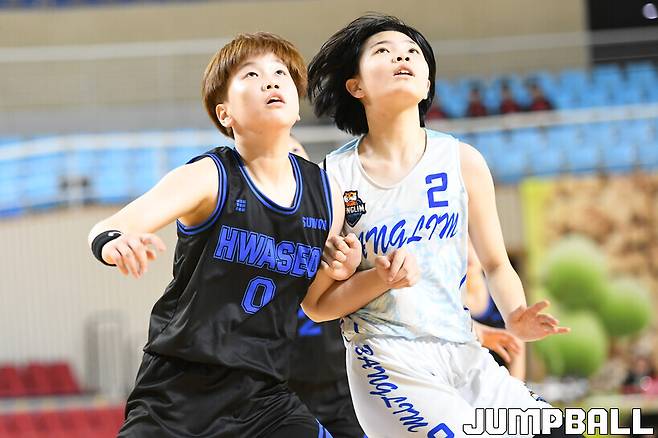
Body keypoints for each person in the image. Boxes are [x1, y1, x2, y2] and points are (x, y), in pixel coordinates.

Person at [308, 14, 578, 438]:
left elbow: (496, 263)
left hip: (463, 350)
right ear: (356, 86)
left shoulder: (462, 160)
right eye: (383, 51)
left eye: (412, 52)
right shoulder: (333, 175)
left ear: (427, 83)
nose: (401, 56)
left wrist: (514, 314)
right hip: (386, 357)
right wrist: (378, 279)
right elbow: (317, 306)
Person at [87, 32, 365, 438]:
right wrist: (115, 242)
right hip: (179, 394)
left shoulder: (327, 195)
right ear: (225, 113)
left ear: (296, 107)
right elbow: (108, 227)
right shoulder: (209, 177)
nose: (270, 81)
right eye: (252, 75)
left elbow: (314, 305)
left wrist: (339, 270)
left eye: (281, 73)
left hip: (264, 398)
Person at [288, 139, 366, 438]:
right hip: (284, 394)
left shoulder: (340, 226)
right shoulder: (251, 231)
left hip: (345, 392)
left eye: (296, 151)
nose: (289, 157)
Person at [465, 240, 525, 380]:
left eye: (473, 243)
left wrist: (515, 388)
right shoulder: (448, 298)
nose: (468, 252)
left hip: (501, 381)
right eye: (463, 243)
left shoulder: (499, 291)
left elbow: (517, 350)